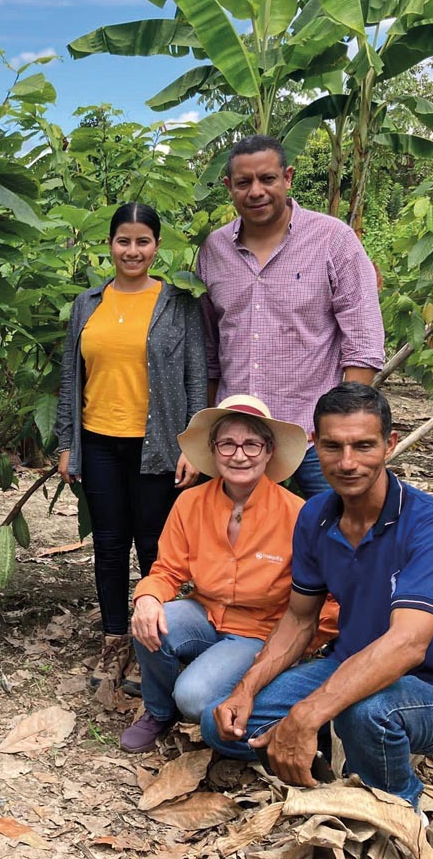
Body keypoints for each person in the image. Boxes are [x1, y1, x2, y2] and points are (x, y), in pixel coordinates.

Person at [203, 384, 433, 810]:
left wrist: (307, 713)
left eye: (364, 445)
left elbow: (408, 644)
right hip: (347, 663)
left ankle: (397, 807)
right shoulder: (315, 515)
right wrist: (245, 689)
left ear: (389, 444)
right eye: (333, 446)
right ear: (315, 445)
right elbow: (300, 619)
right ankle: (329, 744)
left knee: (368, 713)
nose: (348, 462)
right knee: (223, 723)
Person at [120, 395, 337, 752]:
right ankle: (158, 711)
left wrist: (297, 648)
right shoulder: (191, 503)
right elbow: (167, 569)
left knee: (192, 698)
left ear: (269, 452)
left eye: (251, 444)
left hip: (259, 632)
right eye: (227, 444)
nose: (239, 455)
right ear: (213, 450)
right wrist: (147, 597)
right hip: (205, 613)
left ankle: (237, 691)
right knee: (151, 619)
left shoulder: (297, 514)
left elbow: (328, 598)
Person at [55, 202, 207, 693]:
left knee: (155, 545)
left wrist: (194, 445)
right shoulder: (87, 304)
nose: (133, 250)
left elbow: (196, 378)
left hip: (158, 444)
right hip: (99, 440)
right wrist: (66, 442)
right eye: (124, 241)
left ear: (156, 246)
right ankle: (114, 638)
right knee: (109, 542)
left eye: (143, 241)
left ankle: (154, 640)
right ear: (110, 244)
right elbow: (70, 377)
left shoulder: (177, 304)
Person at [197, 134, 385, 498]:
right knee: (238, 531)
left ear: (288, 178)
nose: (256, 191)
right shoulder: (213, 250)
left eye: (267, 179)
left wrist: (343, 427)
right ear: (229, 187)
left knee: (339, 526)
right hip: (239, 439)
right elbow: (209, 350)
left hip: (313, 434)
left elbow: (363, 342)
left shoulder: (333, 240)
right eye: (244, 182)